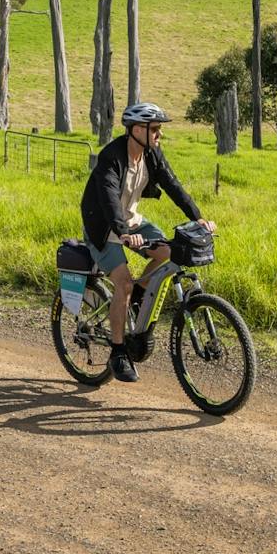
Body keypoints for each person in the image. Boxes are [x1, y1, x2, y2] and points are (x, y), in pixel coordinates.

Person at [80, 101, 215, 383]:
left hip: (131, 221)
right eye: (154, 129)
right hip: (104, 226)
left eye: (159, 129)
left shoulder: (151, 154)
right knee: (123, 282)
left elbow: (173, 185)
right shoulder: (112, 157)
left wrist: (198, 218)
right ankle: (118, 351)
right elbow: (107, 198)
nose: (159, 134)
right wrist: (124, 233)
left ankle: (138, 296)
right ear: (136, 130)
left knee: (169, 252)